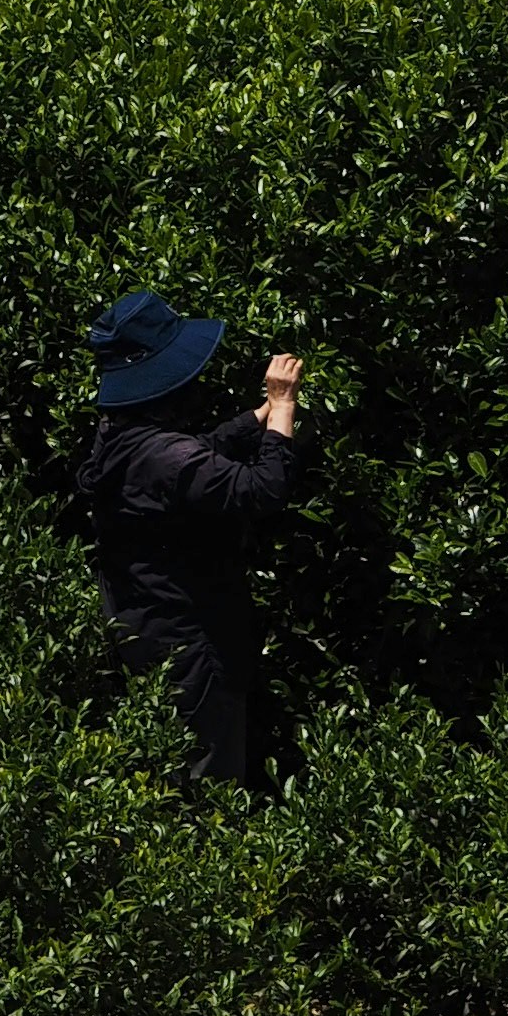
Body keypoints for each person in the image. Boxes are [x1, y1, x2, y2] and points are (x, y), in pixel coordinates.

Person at [75, 290, 306, 790]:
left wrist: (258, 415)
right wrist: (284, 406)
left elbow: (194, 460)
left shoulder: (121, 433)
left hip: (141, 621)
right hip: (191, 642)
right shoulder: (166, 457)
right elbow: (259, 490)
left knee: (163, 761)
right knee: (209, 777)